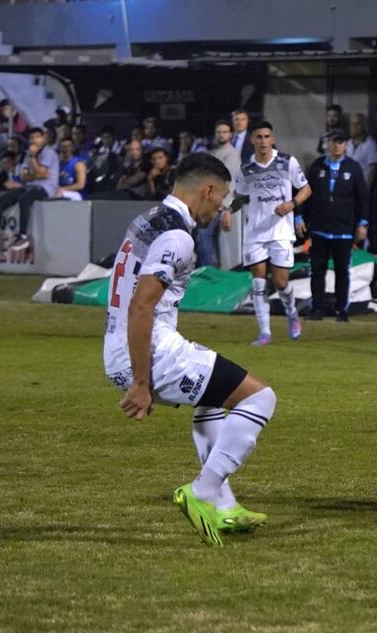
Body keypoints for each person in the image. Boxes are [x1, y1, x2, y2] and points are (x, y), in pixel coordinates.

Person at [103, 152, 276, 547]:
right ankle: (203, 490)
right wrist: (141, 383)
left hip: (121, 347)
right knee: (261, 399)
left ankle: (224, 504)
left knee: (213, 400)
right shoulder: (178, 237)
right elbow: (142, 305)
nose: (220, 209)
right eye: (222, 200)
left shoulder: (148, 219)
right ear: (208, 189)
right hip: (149, 353)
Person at [225, 121, 311, 344]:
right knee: (258, 282)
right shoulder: (246, 168)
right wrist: (227, 210)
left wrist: (292, 205)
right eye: (259, 137)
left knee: (281, 282)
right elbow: (242, 196)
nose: (263, 141)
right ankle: (265, 332)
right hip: (255, 232)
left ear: (272, 139)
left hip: (280, 231)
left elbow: (306, 188)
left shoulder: (286, 162)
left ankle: (292, 312)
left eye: (267, 136)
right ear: (252, 140)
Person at [305, 128, 369, 322]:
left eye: (341, 142)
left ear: (346, 144)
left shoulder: (353, 167)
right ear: (328, 143)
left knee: (342, 271)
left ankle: (342, 310)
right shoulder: (317, 166)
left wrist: (362, 223)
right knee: (318, 270)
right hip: (319, 227)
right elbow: (306, 194)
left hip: (343, 229)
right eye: (334, 141)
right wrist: (301, 219)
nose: (338, 145)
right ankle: (317, 309)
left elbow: (362, 198)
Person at [0, 127, 59, 253]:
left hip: (45, 188)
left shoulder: (48, 153)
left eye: (37, 137)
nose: (34, 140)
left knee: (24, 198)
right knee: (3, 199)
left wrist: (33, 158)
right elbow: (24, 176)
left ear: (43, 138)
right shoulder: (28, 154)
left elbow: (42, 173)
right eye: (32, 138)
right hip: (30, 186)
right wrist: (35, 173)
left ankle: (23, 236)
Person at [202, 119, 241, 267]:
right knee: (209, 239)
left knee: (206, 236)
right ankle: (212, 270)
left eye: (224, 132)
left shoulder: (232, 154)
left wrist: (225, 206)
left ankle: (208, 271)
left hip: (219, 203)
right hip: (210, 201)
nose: (221, 135)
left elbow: (229, 181)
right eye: (218, 132)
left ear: (231, 134)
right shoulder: (213, 152)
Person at [346, 113, 377, 188]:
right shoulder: (348, 143)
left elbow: (373, 170)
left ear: (364, 125)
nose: (354, 127)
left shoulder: (370, 144)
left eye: (358, 124)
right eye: (352, 124)